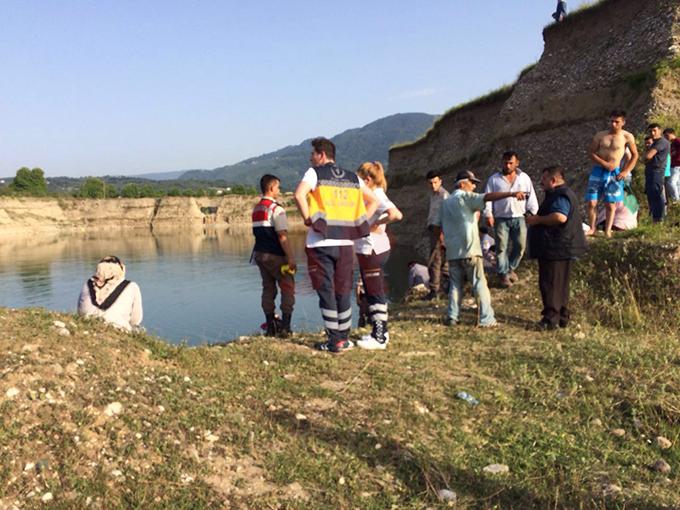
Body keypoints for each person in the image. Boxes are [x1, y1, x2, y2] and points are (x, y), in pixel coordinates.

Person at [294, 137, 378, 353]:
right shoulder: (352, 178)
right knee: (343, 290)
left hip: (320, 242)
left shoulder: (315, 173)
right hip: (345, 243)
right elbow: (374, 201)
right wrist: (358, 224)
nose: (310, 158)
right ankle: (344, 338)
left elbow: (299, 194)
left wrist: (307, 218)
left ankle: (334, 341)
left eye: (313, 154)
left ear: (321, 154)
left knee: (326, 290)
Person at [432, 170, 525, 327]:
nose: (474, 186)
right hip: (470, 250)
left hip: (453, 252)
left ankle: (452, 316)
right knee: (479, 283)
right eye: (471, 182)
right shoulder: (465, 197)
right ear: (462, 184)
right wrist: (510, 194)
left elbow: (435, 226)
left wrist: (443, 241)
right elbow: (487, 197)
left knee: (455, 284)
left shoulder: (445, 202)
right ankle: (486, 319)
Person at [527, 166, 587, 330]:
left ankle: (550, 319)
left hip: (555, 247)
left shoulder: (559, 195)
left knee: (550, 283)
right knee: (560, 283)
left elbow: (560, 217)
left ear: (553, 180)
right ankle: (562, 316)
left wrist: (537, 220)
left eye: (544, 179)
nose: (541, 182)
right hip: (561, 246)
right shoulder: (565, 194)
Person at [354, 161, 403, 350]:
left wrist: (376, 224)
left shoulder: (376, 194)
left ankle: (380, 337)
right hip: (372, 249)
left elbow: (396, 214)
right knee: (371, 289)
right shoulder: (374, 194)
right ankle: (378, 331)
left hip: (373, 249)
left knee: (375, 291)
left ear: (367, 179)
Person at [483, 151, 538, 287]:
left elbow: (531, 196)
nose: (507, 165)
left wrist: (533, 213)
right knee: (501, 248)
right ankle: (503, 275)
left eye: (510, 163)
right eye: (505, 162)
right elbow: (488, 198)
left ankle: (510, 268)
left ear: (517, 163)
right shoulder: (494, 179)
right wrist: (488, 214)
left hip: (519, 217)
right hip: (501, 218)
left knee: (520, 246)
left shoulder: (524, 178)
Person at [252, 174, 296, 338]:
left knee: (268, 288)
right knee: (287, 288)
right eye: (278, 187)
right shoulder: (276, 209)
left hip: (260, 255)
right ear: (271, 188)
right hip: (276, 256)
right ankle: (285, 327)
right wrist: (291, 258)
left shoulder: (257, 208)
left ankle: (270, 326)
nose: (279, 190)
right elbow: (282, 236)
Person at [585, 110, 639, 238]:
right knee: (591, 202)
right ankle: (592, 228)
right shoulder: (600, 135)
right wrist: (603, 163)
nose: (613, 124)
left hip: (615, 173)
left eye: (617, 122)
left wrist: (625, 171)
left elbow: (635, 155)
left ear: (623, 123)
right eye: (612, 121)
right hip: (598, 170)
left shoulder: (627, 136)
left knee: (611, 203)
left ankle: (607, 230)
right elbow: (591, 152)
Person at [77, 255, 143, 331]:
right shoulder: (132, 286)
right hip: (117, 328)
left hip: (87, 324)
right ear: (121, 269)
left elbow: (80, 311)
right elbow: (135, 320)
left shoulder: (87, 284)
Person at [425, 170, 449, 300]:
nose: (433, 185)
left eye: (435, 182)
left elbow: (446, 216)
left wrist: (442, 235)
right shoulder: (433, 195)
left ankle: (435, 291)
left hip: (440, 231)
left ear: (440, 181)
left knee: (434, 261)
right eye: (430, 183)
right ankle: (444, 288)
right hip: (433, 230)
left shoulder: (444, 195)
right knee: (441, 261)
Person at [645, 123, 671, 222]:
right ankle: (655, 218)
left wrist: (645, 157)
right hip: (651, 171)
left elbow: (648, 156)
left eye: (654, 130)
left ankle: (659, 219)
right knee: (651, 194)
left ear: (659, 130)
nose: (652, 133)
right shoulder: (655, 142)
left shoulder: (662, 142)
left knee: (657, 194)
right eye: (650, 131)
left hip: (657, 171)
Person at [663, 128, 680, 203]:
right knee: (677, 183)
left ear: (672, 134)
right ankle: (678, 199)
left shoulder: (677, 141)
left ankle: (676, 200)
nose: (666, 138)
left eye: (667, 136)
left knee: (670, 182)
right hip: (674, 165)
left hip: (677, 165)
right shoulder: (672, 144)